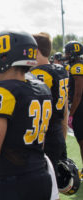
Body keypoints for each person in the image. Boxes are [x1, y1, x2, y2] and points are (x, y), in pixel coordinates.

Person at [0, 31, 52, 200]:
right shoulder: (42, 88)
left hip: (13, 182)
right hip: (41, 174)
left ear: (4, 58)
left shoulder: (0, 92)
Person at [30, 32, 69, 178]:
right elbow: (64, 109)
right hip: (57, 130)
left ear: (36, 51)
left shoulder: (39, 73)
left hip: (45, 135)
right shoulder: (60, 69)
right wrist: (62, 137)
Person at [64, 41, 83, 176]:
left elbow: (78, 93)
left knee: (82, 140)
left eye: (68, 52)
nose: (66, 55)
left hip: (81, 107)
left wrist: (71, 113)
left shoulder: (77, 67)